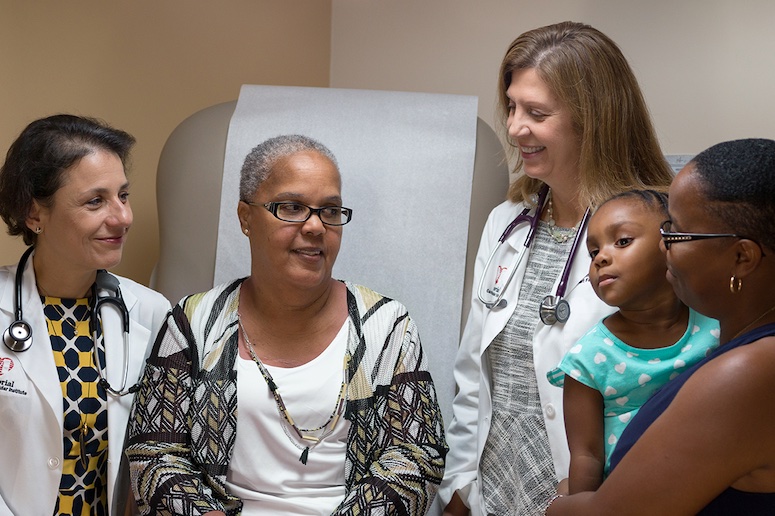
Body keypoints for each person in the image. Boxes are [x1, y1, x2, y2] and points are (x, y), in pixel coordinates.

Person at [125, 134, 447, 515]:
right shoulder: (193, 324)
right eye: (292, 207)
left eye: (330, 210)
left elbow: (417, 453)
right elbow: (155, 452)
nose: (315, 227)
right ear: (246, 217)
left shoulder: (387, 327)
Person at [439, 21, 675, 515]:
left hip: (593, 496)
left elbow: (673, 384)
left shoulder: (658, 231)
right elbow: (474, 374)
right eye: (511, 106)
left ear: (594, 119)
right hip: (493, 490)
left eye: (537, 113)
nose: (513, 127)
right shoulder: (507, 224)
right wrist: (458, 486)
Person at [545, 138, 775, 514]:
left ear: (741, 257)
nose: (664, 245)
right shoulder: (742, 352)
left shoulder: (746, 375)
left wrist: (557, 504)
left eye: (677, 232)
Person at [0, 114, 171, 515]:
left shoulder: (151, 313)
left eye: (123, 196)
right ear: (34, 213)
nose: (122, 218)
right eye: (95, 201)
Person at [546, 190, 719, 493]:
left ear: (672, 244)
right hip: (630, 500)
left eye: (623, 241)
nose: (601, 257)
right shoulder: (588, 359)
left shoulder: (717, 325)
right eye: (593, 251)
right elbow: (587, 456)